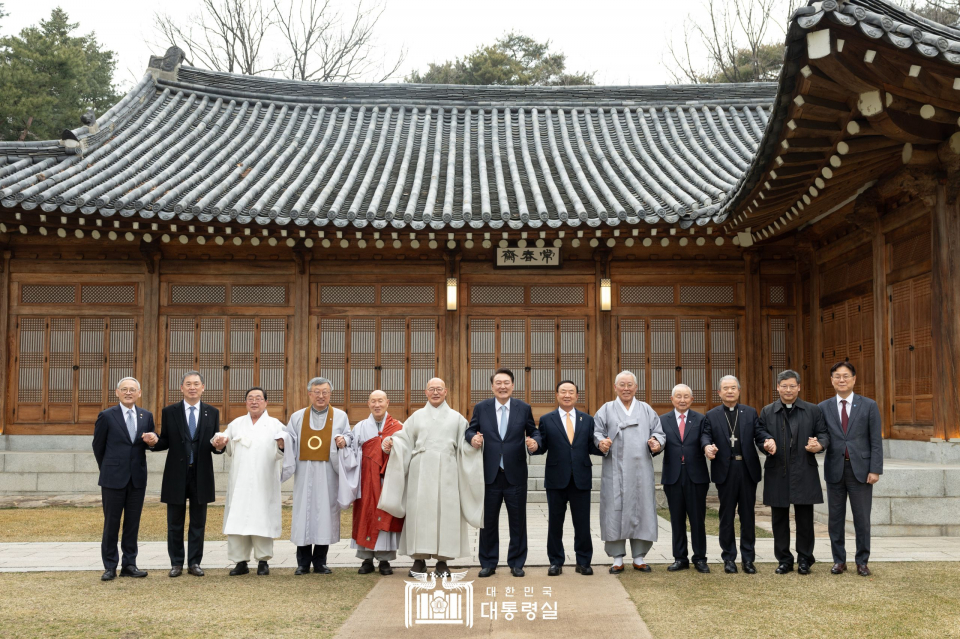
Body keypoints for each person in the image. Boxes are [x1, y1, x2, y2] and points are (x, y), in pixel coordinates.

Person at [378, 378, 484, 578]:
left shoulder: (457, 418)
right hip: (421, 470)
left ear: (446, 392)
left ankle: (443, 561)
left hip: (448, 471)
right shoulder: (416, 417)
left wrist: (474, 442)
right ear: (425, 392)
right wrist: (392, 442)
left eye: (439, 389)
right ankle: (419, 560)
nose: (435, 392)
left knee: (447, 515)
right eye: (431, 389)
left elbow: (465, 443)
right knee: (420, 513)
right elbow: (404, 440)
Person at [143, 371, 222, 578]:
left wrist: (220, 446)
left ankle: (194, 562)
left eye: (196, 384)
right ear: (182, 388)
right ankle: (176, 563)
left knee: (198, 522)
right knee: (174, 523)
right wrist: (153, 442)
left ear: (203, 387)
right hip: (176, 474)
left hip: (201, 473)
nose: (192, 387)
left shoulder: (211, 412)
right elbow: (166, 440)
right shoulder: (170, 411)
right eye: (188, 384)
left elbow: (214, 445)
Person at [466, 368, 541, 578]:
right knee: (488, 522)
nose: (502, 386)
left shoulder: (523, 408)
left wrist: (535, 442)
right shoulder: (482, 408)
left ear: (513, 385)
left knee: (518, 521)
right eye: (498, 383)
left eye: (506, 382)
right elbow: (470, 429)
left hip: (515, 473)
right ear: (492, 386)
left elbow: (533, 430)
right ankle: (488, 562)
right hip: (490, 474)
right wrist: (472, 438)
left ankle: (517, 562)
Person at [594, 370, 665, 574]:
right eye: (622, 385)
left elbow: (659, 433)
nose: (626, 388)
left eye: (630, 385)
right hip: (614, 469)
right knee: (614, 509)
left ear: (636, 387)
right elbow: (597, 431)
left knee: (641, 508)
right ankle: (617, 558)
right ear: (615, 387)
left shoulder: (646, 409)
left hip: (641, 469)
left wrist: (656, 443)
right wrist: (601, 442)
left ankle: (639, 556)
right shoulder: (606, 409)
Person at [759, 370, 828, 575]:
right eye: (784, 386)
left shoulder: (812, 410)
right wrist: (765, 443)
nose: (788, 390)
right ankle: (784, 560)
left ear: (799, 387)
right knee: (779, 519)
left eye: (792, 386)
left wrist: (819, 445)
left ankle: (805, 559)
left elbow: (823, 434)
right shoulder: (767, 411)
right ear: (777, 387)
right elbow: (759, 433)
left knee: (805, 519)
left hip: (804, 469)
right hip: (777, 469)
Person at [216, 387, 291, 577]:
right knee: (238, 518)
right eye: (250, 398)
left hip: (264, 480)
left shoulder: (275, 425)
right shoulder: (236, 424)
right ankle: (239, 561)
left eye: (258, 398)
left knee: (262, 518)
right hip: (239, 481)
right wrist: (221, 444)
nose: (254, 402)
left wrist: (282, 445)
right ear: (246, 402)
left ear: (266, 402)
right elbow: (228, 447)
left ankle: (263, 561)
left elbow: (281, 451)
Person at [702, 375, 774, 574]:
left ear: (739, 391)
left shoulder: (749, 413)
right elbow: (706, 434)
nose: (730, 391)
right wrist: (707, 446)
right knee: (726, 516)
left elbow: (759, 433)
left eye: (733, 388)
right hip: (725, 471)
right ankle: (729, 558)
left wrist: (767, 441)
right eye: (725, 388)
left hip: (746, 469)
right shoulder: (712, 414)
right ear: (719, 392)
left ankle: (748, 559)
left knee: (747, 516)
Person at [819, 361, 883, 577]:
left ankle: (862, 561)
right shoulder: (823, 407)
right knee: (835, 519)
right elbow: (822, 436)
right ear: (832, 380)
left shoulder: (869, 405)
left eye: (846, 376)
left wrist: (875, 469)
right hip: (835, 469)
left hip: (862, 471)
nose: (842, 380)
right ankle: (839, 560)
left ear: (854, 379)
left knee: (862, 519)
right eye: (837, 376)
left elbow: (876, 441)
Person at [531, 380, 601, 576]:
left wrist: (602, 447)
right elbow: (542, 445)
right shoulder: (547, 419)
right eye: (563, 392)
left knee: (583, 523)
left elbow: (590, 445)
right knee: (555, 523)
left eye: (571, 392)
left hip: (580, 477)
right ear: (557, 395)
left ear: (577, 396)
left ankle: (584, 561)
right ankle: (555, 562)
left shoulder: (587, 419)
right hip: (556, 478)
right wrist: (534, 447)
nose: (567, 395)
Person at [281, 377, 349, 575]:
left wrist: (344, 441)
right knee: (303, 513)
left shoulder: (340, 416)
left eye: (325, 392)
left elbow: (348, 438)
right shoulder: (297, 417)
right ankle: (302, 563)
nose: (321, 396)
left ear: (330, 394)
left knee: (324, 514)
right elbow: (289, 438)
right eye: (317, 392)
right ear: (309, 394)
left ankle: (320, 561)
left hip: (328, 472)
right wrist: (282, 441)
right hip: (304, 471)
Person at [92, 377, 155, 581]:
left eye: (133, 390)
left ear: (139, 393)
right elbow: (98, 446)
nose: (129, 393)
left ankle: (129, 564)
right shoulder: (107, 415)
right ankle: (110, 565)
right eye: (124, 389)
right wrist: (109, 468)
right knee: (111, 523)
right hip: (113, 478)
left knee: (132, 523)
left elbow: (149, 442)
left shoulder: (146, 416)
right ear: (117, 392)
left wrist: (154, 441)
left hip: (137, 478)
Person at [338, 389, 404, 576]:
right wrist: (343, 441)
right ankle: (366, 558)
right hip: (366, 479)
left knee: (386, 515)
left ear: (387, 403)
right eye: (373, 401)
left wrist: (394, 446)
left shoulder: (398, 426)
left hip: (388, 479)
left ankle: (385, 560)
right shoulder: (360, 426)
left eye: (380, 401)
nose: (377, 405)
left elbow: (407, 447)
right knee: (366, 514)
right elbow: (350, 443)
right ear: (368, 404)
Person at [660, 384, 710, 573]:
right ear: (672, 399)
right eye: (678, 396)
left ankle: (700, 558)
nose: (682, 400)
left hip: (696, 476)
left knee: (698, 519)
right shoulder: (663, 420)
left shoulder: (701, 419)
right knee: (677, 519)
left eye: (686, 396)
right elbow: (658, 441)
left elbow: (706, 438)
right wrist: (654, 445)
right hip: (673, 475)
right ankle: (680, 558)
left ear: (692, 399)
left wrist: (707, 448)